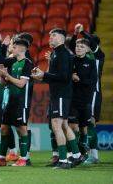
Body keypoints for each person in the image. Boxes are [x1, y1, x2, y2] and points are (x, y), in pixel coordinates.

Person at [32, 28, 82, 169]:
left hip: (61, 94)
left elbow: (65, 77)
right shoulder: (55, 54)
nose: (50, 38)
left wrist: (44, 75)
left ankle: (63, 160)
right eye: (50, 36)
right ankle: (77, 155)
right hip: (57, 94)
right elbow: (55, 78)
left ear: (61, 38)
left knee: (56, 125)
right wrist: (41, 77)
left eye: (53, 36)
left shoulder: (64, 54)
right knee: (64, 125)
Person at [0, 34, 34, 167]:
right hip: (11, 100)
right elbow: (1, 60)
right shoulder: (13, 61)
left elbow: (21, 84)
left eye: (14, 46)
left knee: (21, 128)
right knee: (4, 127)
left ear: (21, 48)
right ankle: (1, 158)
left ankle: (25, 159)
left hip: (22, 101)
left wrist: (7, 75)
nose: (12, 49)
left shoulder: (27, 63)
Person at [71, 24, 104, 164]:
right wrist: (75, 34)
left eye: (87, 43)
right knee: (84, 123)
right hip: (83, 93)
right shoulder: (81, 57)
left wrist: (82, 32)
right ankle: (87, 152)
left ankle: (94, 155)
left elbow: (92, 41)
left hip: (93, 92)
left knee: (90, 122)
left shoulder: (98, 55)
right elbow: (71, 47)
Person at [67, 38, 97, 161]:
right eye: (77, 46)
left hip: (85, 100)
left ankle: (83, 153)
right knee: (73, 126)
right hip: (72, 99)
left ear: (87, 49)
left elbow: (93, 81)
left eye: (82, 47)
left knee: (84, 129)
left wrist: (80, 80)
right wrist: (70, 76)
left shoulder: (90, 63)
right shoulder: (70, 61)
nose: (79, 48)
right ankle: (72, 153)